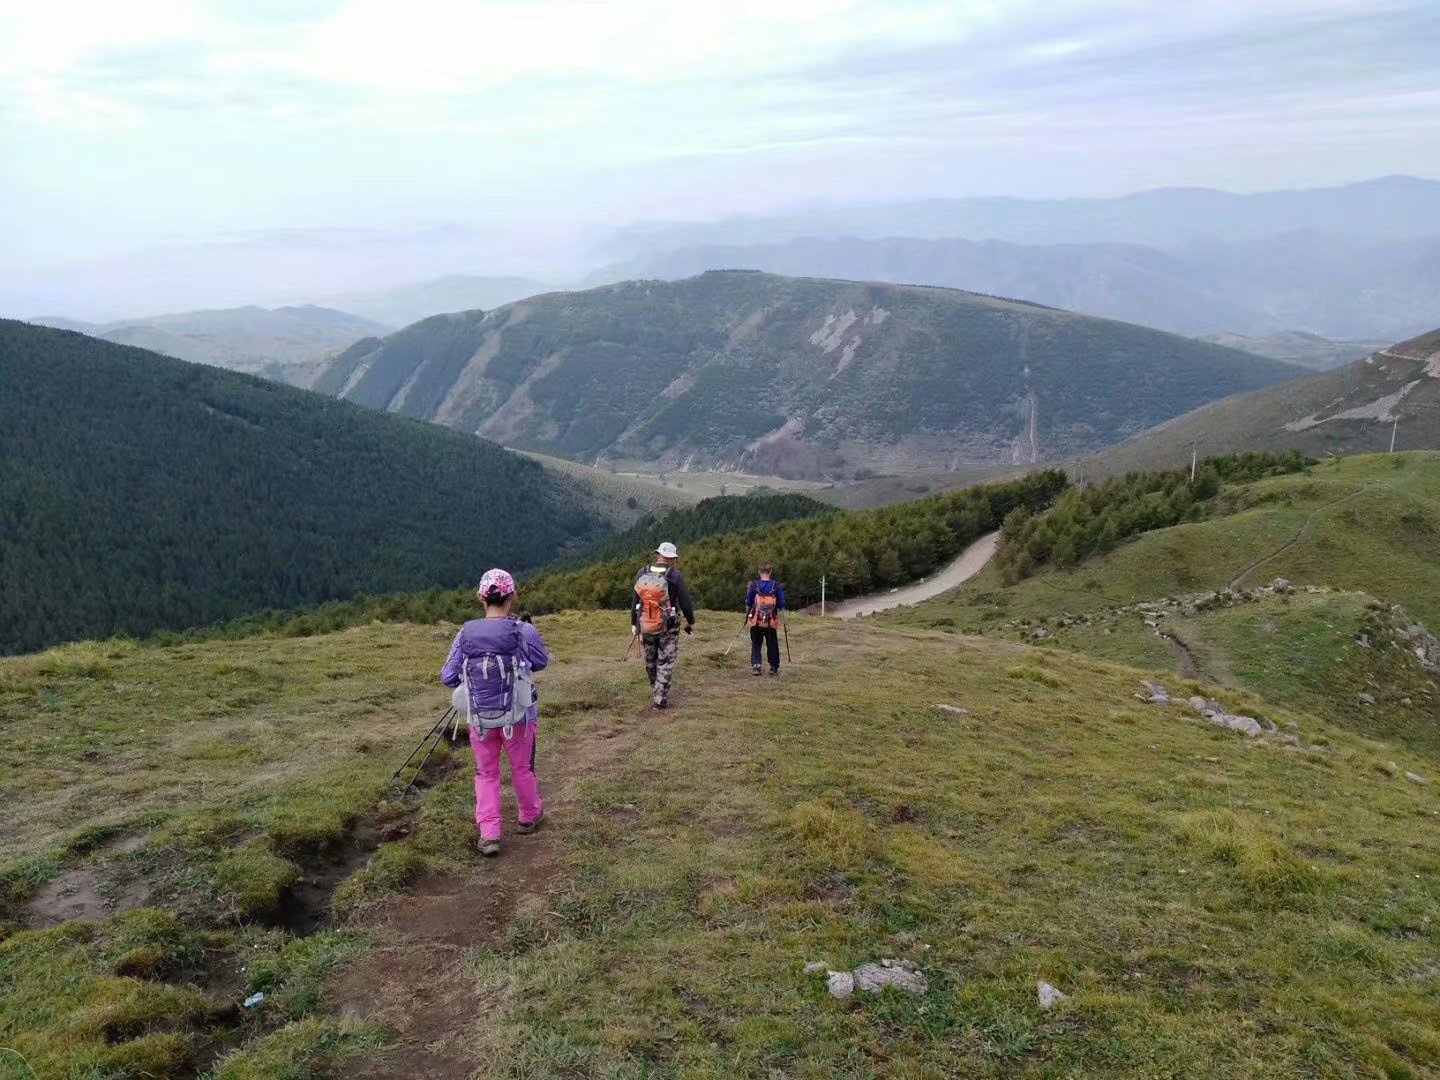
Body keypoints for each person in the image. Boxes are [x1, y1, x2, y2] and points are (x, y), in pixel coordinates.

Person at [440, 568, 548, 857]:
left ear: (481, 597)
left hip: (480, 719)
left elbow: (448, 676)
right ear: (513, 596)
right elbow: (540, 662)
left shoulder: (465, 634)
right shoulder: (523, 631)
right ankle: (529, 816)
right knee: (522, 768)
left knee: (486, 773)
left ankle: (489, 834)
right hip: (520, 716)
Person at [631, 542, 695, 709]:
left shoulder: (642, 572)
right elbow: (685, 602)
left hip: (646, 624)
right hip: (669, 626)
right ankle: (659, 697)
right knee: (665, 661)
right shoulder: (675, 575)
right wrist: (690, 621)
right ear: (672, 558)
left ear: (658, 554)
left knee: (650, 659)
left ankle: (656, 685)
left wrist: (634, 623)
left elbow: (636, 600)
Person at [745, 563, 786, 676]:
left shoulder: (754, 585)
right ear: (770, 571)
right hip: (771, 620)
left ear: (759, 572)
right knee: (772, 644)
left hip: (756, 620)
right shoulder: (776, 586)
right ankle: (773, 667)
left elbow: (749, 602)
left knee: (756, 643)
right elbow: (781, 604)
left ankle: (756, 666)